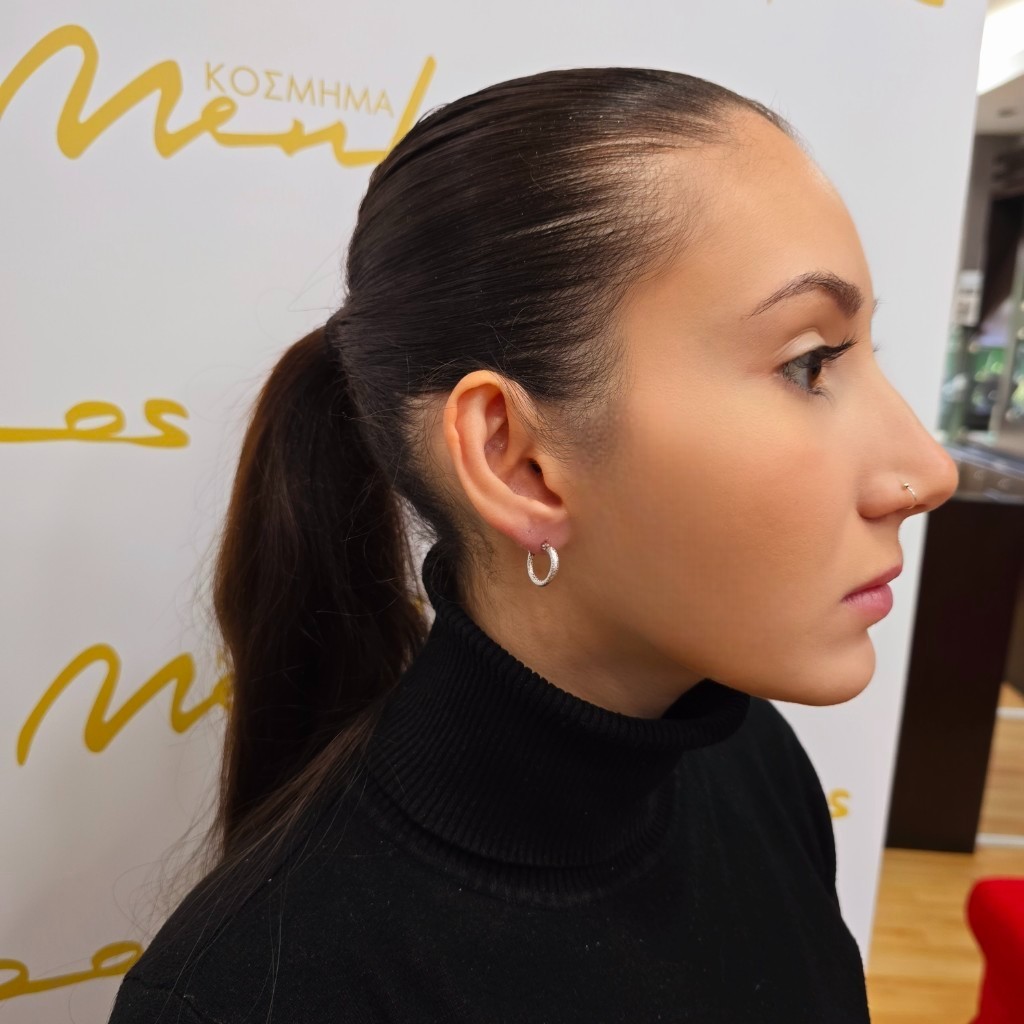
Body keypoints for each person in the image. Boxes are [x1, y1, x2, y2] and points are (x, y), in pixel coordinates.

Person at [106, 66, 959, 1023]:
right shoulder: (256, 992)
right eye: (809, 364)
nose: (928, 472)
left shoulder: (751, 764)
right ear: (518, 462)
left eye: (862, 350)